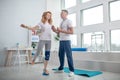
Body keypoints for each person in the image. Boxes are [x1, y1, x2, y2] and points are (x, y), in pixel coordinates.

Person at [21, 11, 53, 75]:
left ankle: (45, 69)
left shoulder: (50, 23)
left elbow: (52, 30)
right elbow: (34, 28)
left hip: (49, 41)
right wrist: (26, 26)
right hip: (42, 40)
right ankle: (33, 60)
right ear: (44, 16)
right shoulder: (40, 23)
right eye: (48, 15)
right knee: (38, 52)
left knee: (47, 55)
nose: (49, 16)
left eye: (50, 15)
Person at [52, 10, 74, 77]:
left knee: (69, 56)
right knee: (60, 55)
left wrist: (60, 30)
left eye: (62, 13)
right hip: (61, 40)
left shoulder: (69, 21)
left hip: (67, 41)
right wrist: (55, 30)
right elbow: (59, 33)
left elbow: (72, 32)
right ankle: (61, 68)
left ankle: (71, 71)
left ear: (66, 14)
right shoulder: (61, 22)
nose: (61, 14)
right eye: (60, 13)